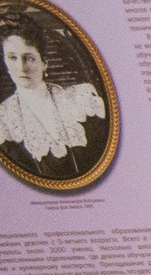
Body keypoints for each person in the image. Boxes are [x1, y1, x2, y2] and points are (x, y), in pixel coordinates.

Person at [0, 19, 110, 183]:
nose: (21, 67)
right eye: (12, 58)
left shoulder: (81, 100)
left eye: (29, 58)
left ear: (44, 63)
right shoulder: (5, 120)